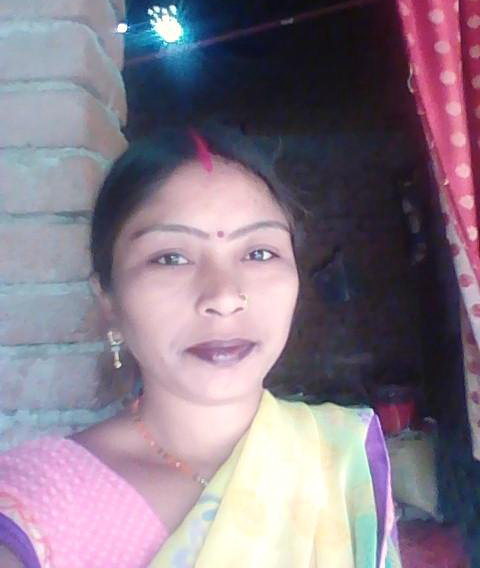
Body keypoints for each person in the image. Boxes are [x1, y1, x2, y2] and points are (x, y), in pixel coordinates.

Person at [0, 127, 401, 567]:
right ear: (108, 300)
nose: (224, 297)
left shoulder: (340, 460)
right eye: (170, 258)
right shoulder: (43, 501)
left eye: (259, 253)